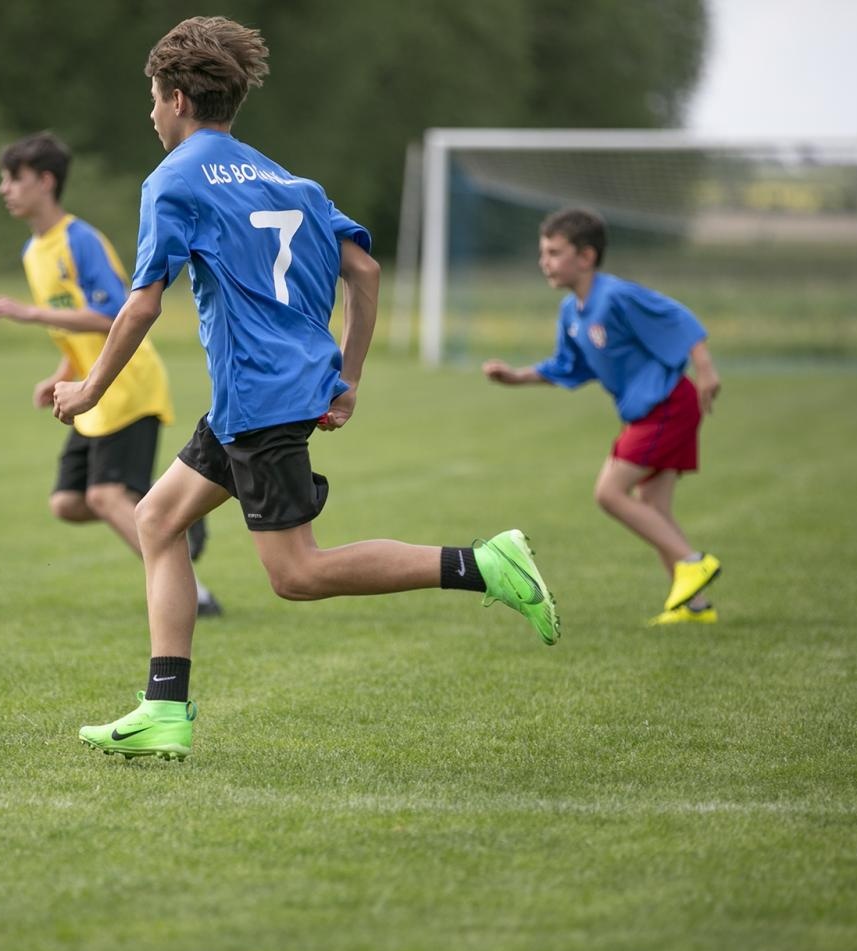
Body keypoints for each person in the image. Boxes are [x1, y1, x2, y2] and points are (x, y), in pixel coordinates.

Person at [51, 17, 559, 761]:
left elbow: (143, 302)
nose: (152, 113)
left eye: (155, 99)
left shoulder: (174, 180)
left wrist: (90, 390)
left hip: (259, 399)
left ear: (182, 99)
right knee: (157, 521)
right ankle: (163, 708)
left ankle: (482, 564)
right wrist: (345, 377)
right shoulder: (289, 178)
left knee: (296, 574)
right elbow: (365, 272)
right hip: (262, 395)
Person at [0, 131, 222, 617]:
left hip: (127, 385)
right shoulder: (34, 252)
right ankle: (176, 517)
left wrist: (33, 314)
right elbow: (79, 329)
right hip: (91, 389)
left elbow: (117, 314)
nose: (5, 189)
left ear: (46, 182)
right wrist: (62, 371)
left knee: (106, 494)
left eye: (15, 179)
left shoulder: (78, 239)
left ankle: (194, 595)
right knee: (68, 503)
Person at [482, 207, 722, 625]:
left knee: (609, 493)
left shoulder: (615, 296)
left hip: (667, 404)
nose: (545, 262)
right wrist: (515, 377)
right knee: (653, 506)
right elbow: (567, 366)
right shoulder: (571, 313)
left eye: (554, 252)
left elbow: (678, 318)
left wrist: (705, 368)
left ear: (586, 257)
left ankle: (692, 560)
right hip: (652, 411)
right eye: (543, 253)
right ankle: (694, 607)